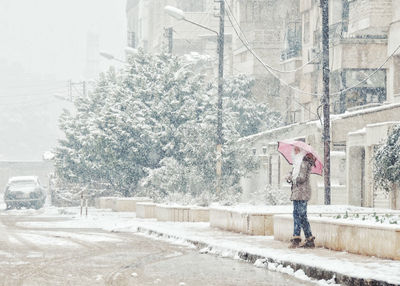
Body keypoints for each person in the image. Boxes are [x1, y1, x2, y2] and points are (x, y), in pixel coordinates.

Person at [285, 146, 316, 248]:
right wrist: (290, 175)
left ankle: (296, 239)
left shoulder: (303, 162)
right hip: (297, 192)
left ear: (302, 150)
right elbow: (294, 174)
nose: (295, 151)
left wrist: (293, 178)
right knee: (299, 216)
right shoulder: (297, 163)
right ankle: (309, 239)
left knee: (300, 216)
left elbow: (301, 178)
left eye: (297, 149)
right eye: (294, 149)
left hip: (302, 193)